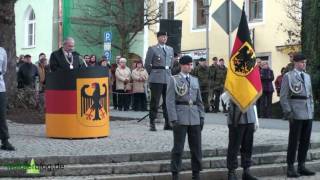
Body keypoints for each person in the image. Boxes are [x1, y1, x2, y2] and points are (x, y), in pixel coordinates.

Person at [166, 55, 205, 180]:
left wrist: (201, 116)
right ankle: (175, 173)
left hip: (194, 117)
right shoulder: (174, 79)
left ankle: (196, 173)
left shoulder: (194, 80)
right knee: (178, 148)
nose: (190, 67)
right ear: (182, 65)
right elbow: (170, 101)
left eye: (191, 64)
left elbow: (199, 101)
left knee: (196, 148)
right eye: (188, 64)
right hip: (180, 117)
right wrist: (173, 118)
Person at [280, 53, 315, 178]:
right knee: (294, 141)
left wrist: (312, 109)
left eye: (305, 62)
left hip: (307, 112)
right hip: (295, 112)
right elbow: (283, 96)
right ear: (295, 63)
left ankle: (301, 165)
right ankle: (290, 167)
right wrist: (288, 111)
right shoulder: (288, 76)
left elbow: (310, 95)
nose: (304, 64)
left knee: (305, 141)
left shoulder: (307, 76)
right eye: (301, 62)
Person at [144, 31, 174, 131]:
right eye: (162, 37)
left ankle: (167, 123)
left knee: (167, 102)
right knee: (155, 101)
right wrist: (152, 74)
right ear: (158, 38)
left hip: (168, 78)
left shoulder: (170, 49)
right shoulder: (152, 49)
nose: (164, 38)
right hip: (156, 78)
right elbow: (147, 64)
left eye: (166, 37)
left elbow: (172, 64)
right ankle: (152, 122)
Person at [226, 99, 259, 180]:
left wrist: (256, 118)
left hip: (250, 116)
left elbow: (253, 98)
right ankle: (231, 172)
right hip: (237, 116)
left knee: (248, 147)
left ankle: (246, 171)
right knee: (234, 147)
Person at [0, 46, 15, 151]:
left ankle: (5, 141)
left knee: (1, 115)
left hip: (0, 88)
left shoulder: (2, 51)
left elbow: (4, 69)